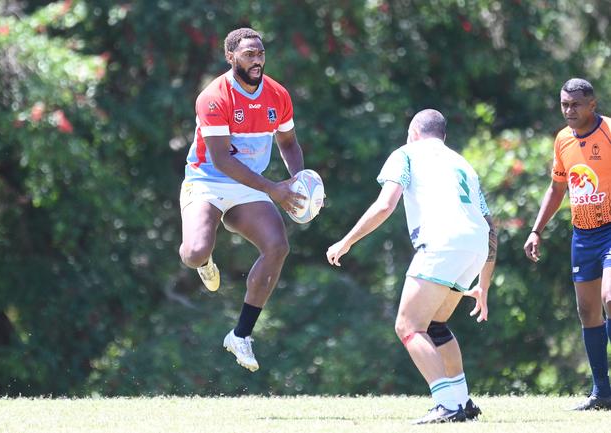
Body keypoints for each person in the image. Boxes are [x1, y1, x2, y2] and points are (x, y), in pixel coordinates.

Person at [327, 109, 497, 424]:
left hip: (441, 243)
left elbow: (384, 204)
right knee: (435, 325)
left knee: (408, 326)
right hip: (474, 245)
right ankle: (462, 401)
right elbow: (491, 225)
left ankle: (446, 404)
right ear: (443, 136)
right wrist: (483, 284)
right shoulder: (463, 164)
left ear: (413, 132)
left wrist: (347, 241)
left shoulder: (406, 153)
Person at [179, 28, 307, 372]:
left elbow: (289, 143)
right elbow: (221, 160)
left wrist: (299, 182)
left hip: (250, 186)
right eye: (249, 54)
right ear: (231, 57)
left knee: (277, 246)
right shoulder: (214, 97)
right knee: (194, 253)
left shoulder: (277, 95)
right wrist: (273, 189)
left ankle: (241, 335)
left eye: (261, 53)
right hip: (207, 180)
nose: (257, 60)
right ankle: (205, 262)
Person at [524, 78, 611, 410]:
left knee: (610, 297)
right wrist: (536, 230)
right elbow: (557, 189)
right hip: (583, 235)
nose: (569, 111)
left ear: (592, 104)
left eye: (575, 104)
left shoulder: (608, 132)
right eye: (564, 104)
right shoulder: (562, 140)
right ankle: (602, 392)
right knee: (587, 310)